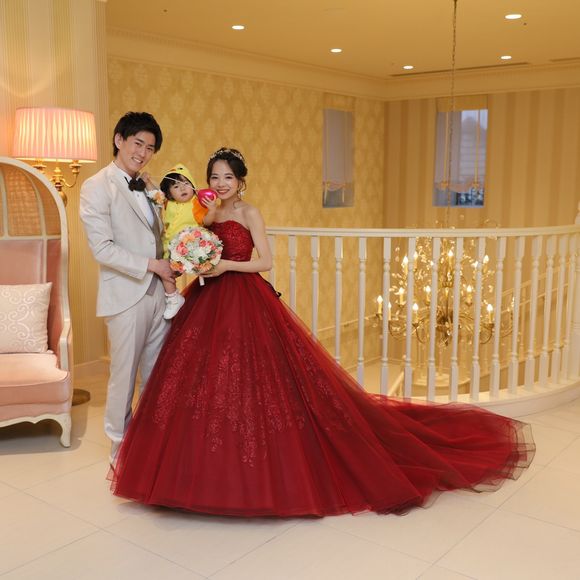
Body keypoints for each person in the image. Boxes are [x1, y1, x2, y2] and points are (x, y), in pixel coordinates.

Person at [111, 147, 535, 517]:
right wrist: (194, 259)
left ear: (241, 181)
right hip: (208, 299)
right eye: (215, 177)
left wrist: (225, 266)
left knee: (261, 383)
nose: (221, 184)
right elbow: (187, 236)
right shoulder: (207, 212)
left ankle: (261, 472)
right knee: (206, 383)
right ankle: (202, 472)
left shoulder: (249, 213)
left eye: (228, 177)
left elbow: (265, 262)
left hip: (244, 295)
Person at [80, 111, 174, 464]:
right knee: (124, 377)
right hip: (125, 294)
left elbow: (157, 235)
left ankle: (148, 446)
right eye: (138, 143)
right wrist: (152, 265)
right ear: (119, 140)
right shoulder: (96, 186)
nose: (143, 153)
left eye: (150, 148)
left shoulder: (149, 186)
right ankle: (118, 451)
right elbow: (102, 249)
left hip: (159, 292)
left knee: (156, 374)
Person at [142, 164, 217, 319]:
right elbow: (155, 194)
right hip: (168, 247)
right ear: (169, 192)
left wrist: (212, 210)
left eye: (186, 183)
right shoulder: (168, 203)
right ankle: (173, 296)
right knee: (165, 272)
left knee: (167, 271)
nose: (182, 188)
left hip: (187, 248)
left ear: (193, 186)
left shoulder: (196, 203)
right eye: (176, 186)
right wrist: (147, 181)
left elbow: (207, 221)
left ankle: (172, 298)